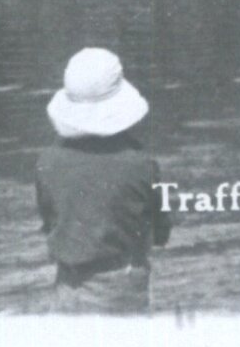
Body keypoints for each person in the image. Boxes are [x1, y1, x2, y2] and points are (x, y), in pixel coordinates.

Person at [36, 48, 171, 313]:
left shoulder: (46, 162)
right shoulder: (142, 164)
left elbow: (49, 221)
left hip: (66, 285)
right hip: (120, 288)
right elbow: (162, 232)